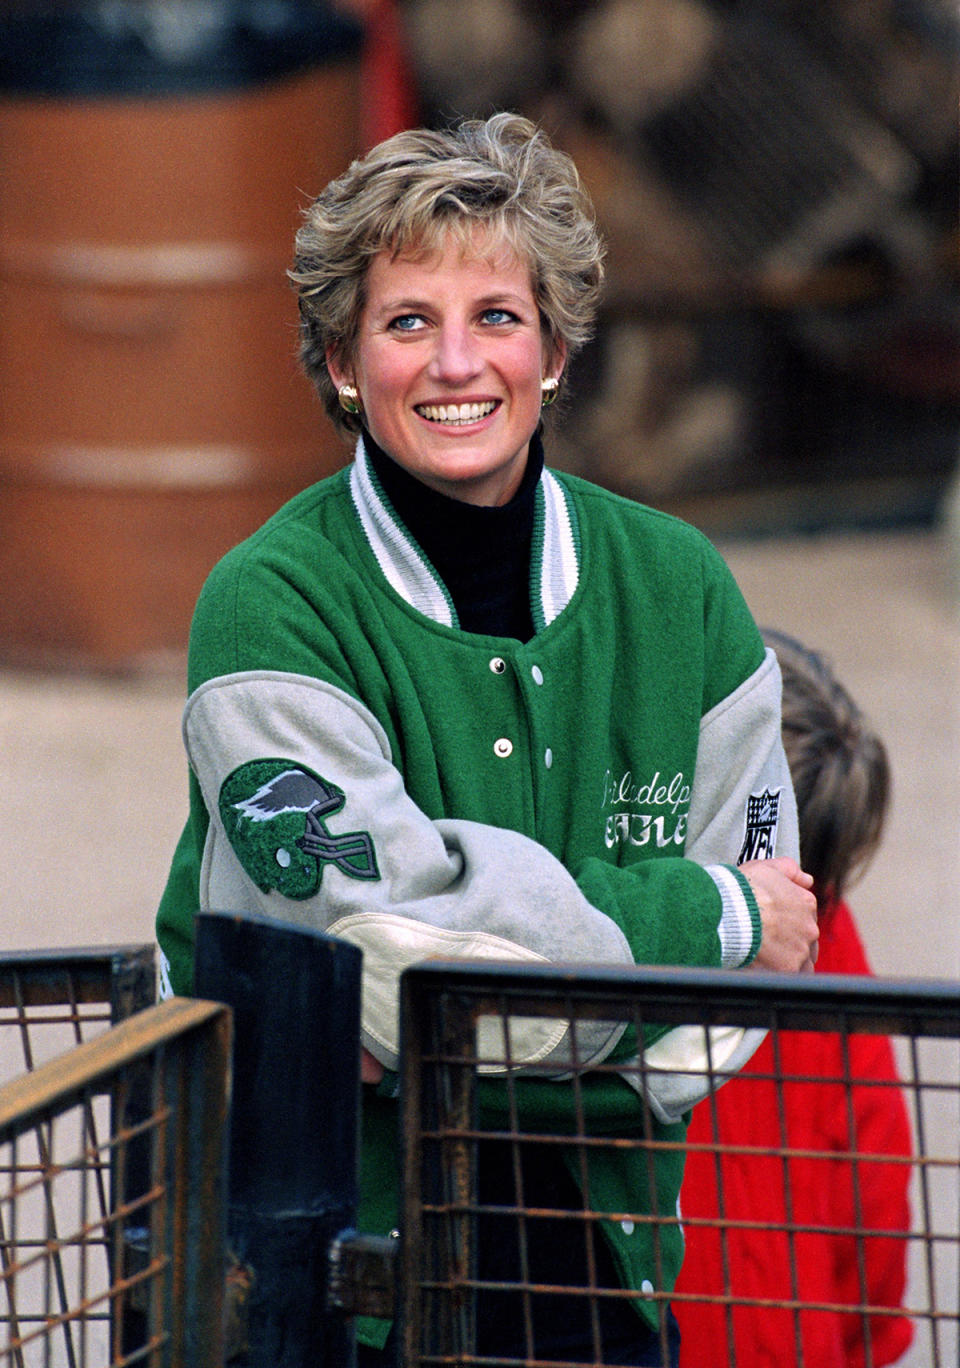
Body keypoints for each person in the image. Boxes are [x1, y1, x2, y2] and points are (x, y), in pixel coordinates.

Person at [156, 113, 819, 1365]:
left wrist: (453, 990)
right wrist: (700, 916)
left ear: (557, 348)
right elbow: (383, 966)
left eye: (498, 318)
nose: (457, 364)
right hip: (333, 1282)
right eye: (408, 322)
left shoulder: (681, 588)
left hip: (606, 1273)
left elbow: (733, 1013)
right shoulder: (271, 606)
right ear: (344, 363)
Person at [674, 628, 914, 1368]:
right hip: (794, 1338)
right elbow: (873, 1165)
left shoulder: (615, 908)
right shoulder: (825, 927)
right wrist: (868, 1341)